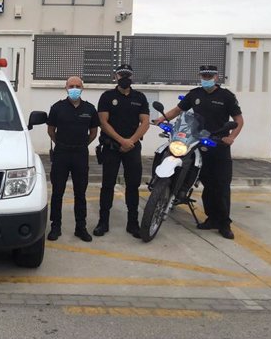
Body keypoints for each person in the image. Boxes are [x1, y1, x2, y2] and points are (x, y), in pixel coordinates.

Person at [155, 65, 244, 239]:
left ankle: (224, 223)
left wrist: (231, 137)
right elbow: (178, 110)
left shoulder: (226, 96)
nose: (206, 78)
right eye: (204, 75)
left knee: (221, 186)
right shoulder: (194, 94)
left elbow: (239, 120)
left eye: (209, 75)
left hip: (218, 146)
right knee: (207, 185)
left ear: (216, 77)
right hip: (197, 144)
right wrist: (162, 119)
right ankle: (211, 218)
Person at [93, 64, 150, 239]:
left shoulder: (139, 97)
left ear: (132, 77)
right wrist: (121, 141)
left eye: (127, 74)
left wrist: (130, 141)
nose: (124, 77)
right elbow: (103, 122)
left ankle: (133, 223)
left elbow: (145, 122)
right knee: (107, 185)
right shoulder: (107, 96)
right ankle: (103, 222)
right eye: (121, 74)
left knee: (133, 186)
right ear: (115, 76)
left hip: (132, 148)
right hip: (112, 147)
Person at [46, 76, 99, 242]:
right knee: (57, 192)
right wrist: (61, 144)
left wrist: (81, 144)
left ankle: (80, 227)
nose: (74, 88)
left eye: (77, 86)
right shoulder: (57, 108)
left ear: (83, 88)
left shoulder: (90, 109)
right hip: (61, 153)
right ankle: (55, 226)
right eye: (71, 86)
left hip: (80, 154)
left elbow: (93, 132)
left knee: (80, 192)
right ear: (66, 88)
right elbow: (51, 130)